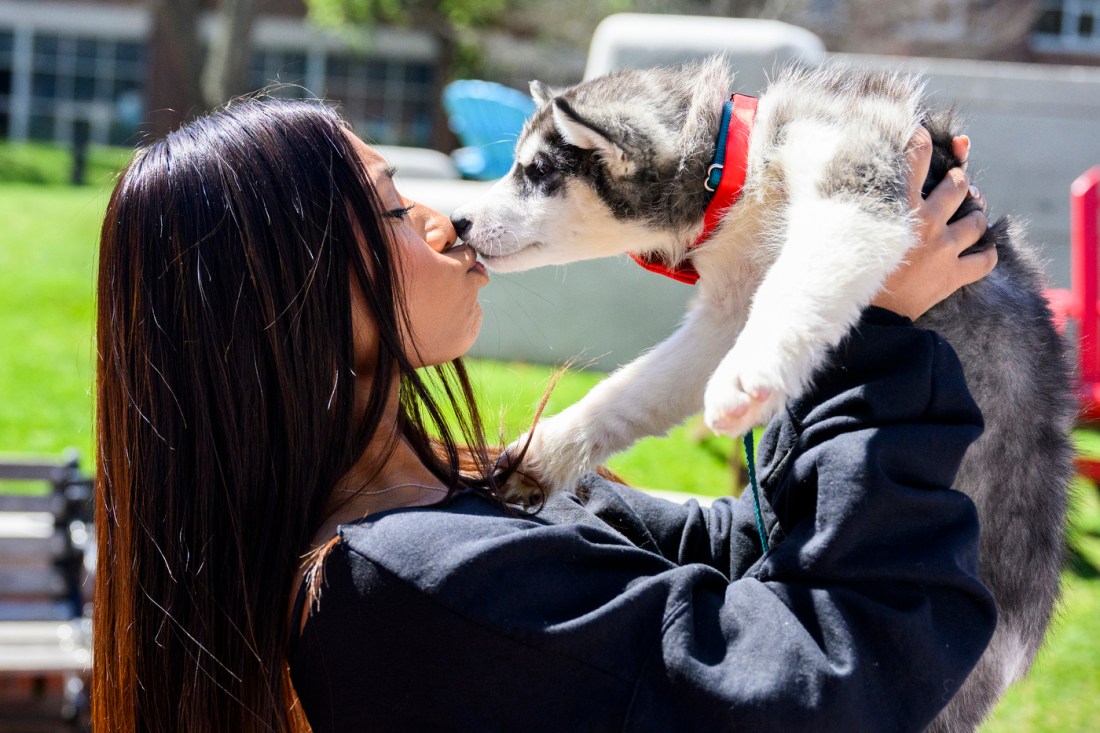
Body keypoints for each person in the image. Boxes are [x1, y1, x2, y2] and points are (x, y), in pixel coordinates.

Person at [91, 98, 997, 733]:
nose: (443, 220)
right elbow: (831, 681)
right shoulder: (412, 587)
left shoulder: (463, 489)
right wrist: (870, 332)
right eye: (393, 208)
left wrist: (807, 287)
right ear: (290, 295)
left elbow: (739, 555)